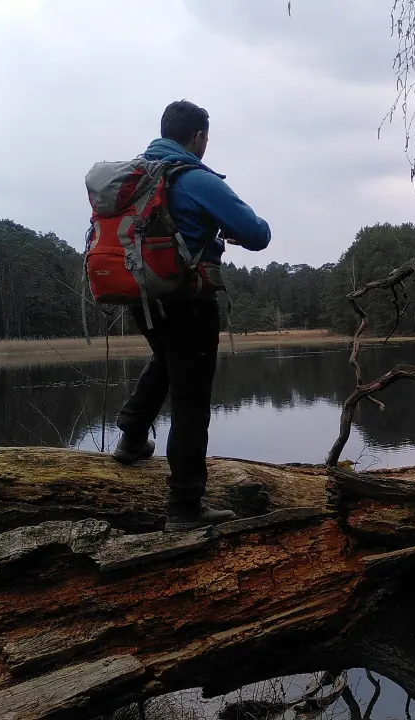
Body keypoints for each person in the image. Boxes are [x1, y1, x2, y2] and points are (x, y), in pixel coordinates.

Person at [110, 100, 271, 532]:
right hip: (187, 301)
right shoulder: (195, 179)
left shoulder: (134, 178)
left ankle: (130, 438)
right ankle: (184, 507)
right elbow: (259, 233)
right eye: (206, 137)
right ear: (198, 137)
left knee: (166, 360)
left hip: (140, 298)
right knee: (191, 403)